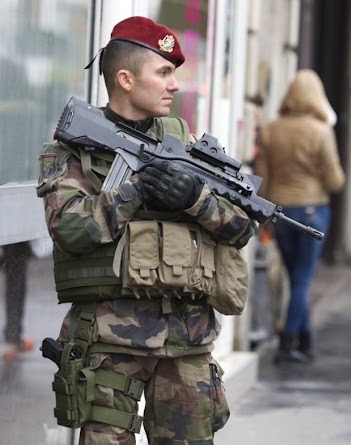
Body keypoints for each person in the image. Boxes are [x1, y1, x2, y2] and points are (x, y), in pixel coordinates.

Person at [36, 16, 256, 444]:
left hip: (186, 342)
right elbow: (70, 229)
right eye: (164, 72)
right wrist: (136, 188)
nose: (175, 85)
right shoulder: (70, 150)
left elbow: (241, 227)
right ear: (126, 78)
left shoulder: (186, 148)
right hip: (109, 341)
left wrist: (195, 197)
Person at [255, 70, 345, 364]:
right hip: (312, 210)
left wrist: (264, 217)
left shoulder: (270, 129)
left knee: (295, 277)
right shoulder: (321, 131)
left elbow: (263, 181)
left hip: (280, 211)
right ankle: (287, 341)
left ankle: (305, 340)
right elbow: (335, 182)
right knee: (303, 280)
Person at [1, 241, 34, 361]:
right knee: (16, 277)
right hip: (13, 234)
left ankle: (13, 337)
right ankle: (12, 338)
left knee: (15, 275)